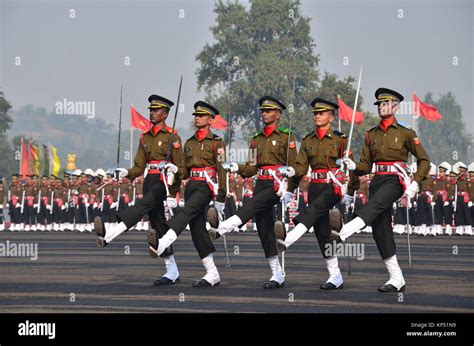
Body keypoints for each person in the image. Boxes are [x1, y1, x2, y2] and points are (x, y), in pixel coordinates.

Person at [333, 88, 430, 292]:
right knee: (380, 229)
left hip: (396, 181)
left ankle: (343, 233)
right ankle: (397, 278)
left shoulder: (405, 133)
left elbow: (424, 160)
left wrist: (416, 182)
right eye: (379, 104)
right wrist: (354, 167)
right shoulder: (371, 134)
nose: (381, 107)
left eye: (386, 104)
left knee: (374, 205)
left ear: (395, 106)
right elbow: (366, 166)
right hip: (377, 180)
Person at [94, 94, 186, 286]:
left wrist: (173, 190)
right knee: (158, 224)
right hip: (149, 180)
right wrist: (125, 172)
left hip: (164, 181)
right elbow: (138, 167)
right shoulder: (144, 138)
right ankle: (172, 272)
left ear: (166, 113)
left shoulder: (172, 137)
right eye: (151, 110)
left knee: (142, 205)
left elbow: (182, 169)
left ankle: (111, 232)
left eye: (156, 110)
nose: (152, 113)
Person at [208, 96, 297, 289]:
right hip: (261, 183)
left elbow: (293, 167)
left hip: (276, 186)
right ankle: (277, 275)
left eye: (268, 111)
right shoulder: (256, 139)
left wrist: (288, 187)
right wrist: (236, 166)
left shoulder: (286, 137)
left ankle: (221, 228)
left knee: (252, 205)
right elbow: (251, 169)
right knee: (265, 230)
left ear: (278, 114)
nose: (264, 113)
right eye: (263, 111)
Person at [274, 98, 359, 290]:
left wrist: (351, 192)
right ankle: (335, 276)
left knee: (314, 209)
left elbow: (351, 167)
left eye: (321, 113)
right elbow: (301, 166)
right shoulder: (308, 140)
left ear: (331, 117)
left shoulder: (340, 139)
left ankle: (288, 239)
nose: (317, 116)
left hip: (333, 186)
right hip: (315, 186)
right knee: (322, 233)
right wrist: (291, 177)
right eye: (315, 113)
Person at [147, 101, 227, 287]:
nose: (197, 118)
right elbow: (183, 171)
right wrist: (173, 175)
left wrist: (221, 198)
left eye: (201, 116)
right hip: (191, 185)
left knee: (187, 212)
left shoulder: (217, 142)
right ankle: (212, 273)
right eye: (196, 115)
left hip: (206, 186)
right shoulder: (189, 143)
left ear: (210, 120)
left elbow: (222, 169)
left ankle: (162, 241)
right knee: (197, 230)